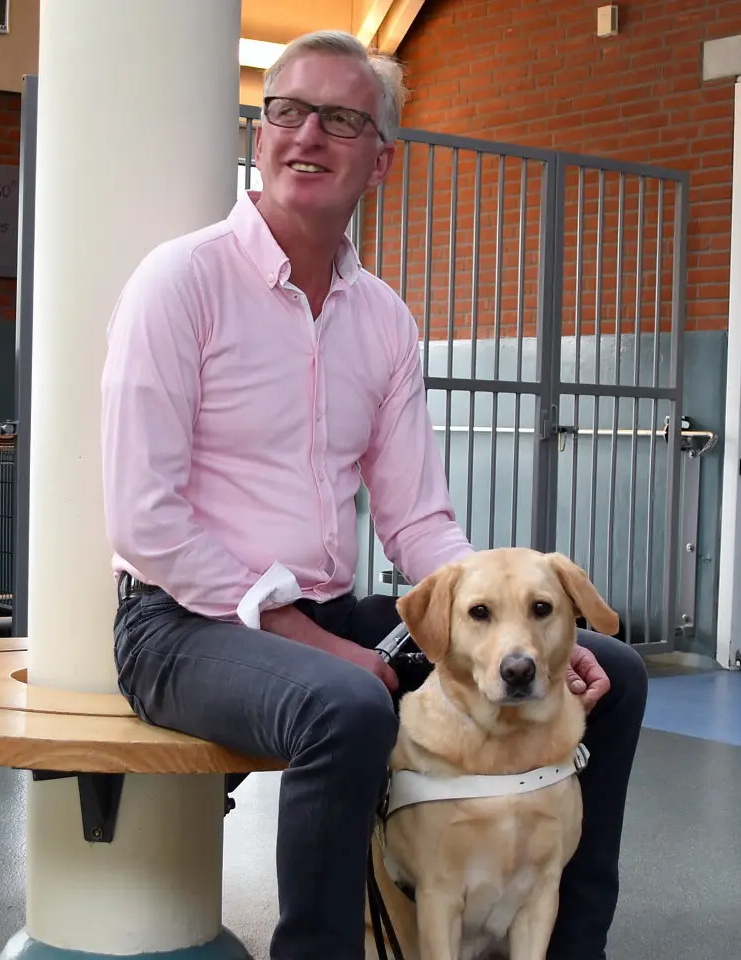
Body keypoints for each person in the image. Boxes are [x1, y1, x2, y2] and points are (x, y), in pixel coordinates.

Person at [98, 29, 647, 959]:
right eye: (287, 110)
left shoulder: (384, 320)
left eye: (341, 119)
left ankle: (570, 948)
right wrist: (301, 636)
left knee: (615, 673)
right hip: (180, 623)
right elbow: (144, 520)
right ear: (261, 133)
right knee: (346, 704)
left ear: (382, 159)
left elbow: (419, 521)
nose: (307, 134)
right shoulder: (181, 283)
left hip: (327, 614)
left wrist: (501, 626)